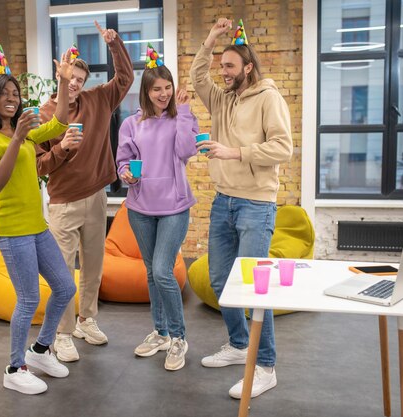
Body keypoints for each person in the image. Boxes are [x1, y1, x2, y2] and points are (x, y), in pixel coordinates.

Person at [189, 18, 293, 399]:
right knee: (220, 281)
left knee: (252, 289)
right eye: (223, 66)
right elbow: (197, 76)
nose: (223, 72)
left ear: (248, 67)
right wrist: (212, 38)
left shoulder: (269, 98)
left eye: (230, 66)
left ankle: (265, 366)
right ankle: (237, 344)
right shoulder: (222, 97)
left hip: (256, 204)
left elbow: (283, 148)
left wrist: (235, 152)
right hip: (223, 201)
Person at [0, 47, 77, 395]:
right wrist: (17, 138)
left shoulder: (26, 130)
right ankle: (14, 367)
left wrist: (63, 82)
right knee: (29, 300)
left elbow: (60, 121)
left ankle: (41, 350)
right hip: (11, 231)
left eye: (15, 93)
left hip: (36, 226)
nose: (11, 99)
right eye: (3, 94)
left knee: (65, 287)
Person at [36, 20, 134, 362]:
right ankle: (61, 334)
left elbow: (126, 79)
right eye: (70, 79)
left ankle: (86, 320)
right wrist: (61, 147)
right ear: (61, 78)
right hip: (63, 203)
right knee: (63, 272)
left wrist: (115, 43)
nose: (76, 84)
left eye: (79, 79)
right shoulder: (45, 115)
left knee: (93, 266)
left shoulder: (99, 100)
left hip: (95, 197)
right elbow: (38, 166)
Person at [116, 47, 198, 371]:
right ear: (146, 92)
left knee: (163, 270)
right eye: (157, 89)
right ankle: (160, 332)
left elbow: (185, 150)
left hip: (175, 206)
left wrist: (186, 111)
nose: (163, 94)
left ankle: (178, 337)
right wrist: (123, 172)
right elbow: (123, 160)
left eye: (168, 88)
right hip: (140, 207)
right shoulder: (131, 124)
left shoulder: (181, 117)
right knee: (151, 272)